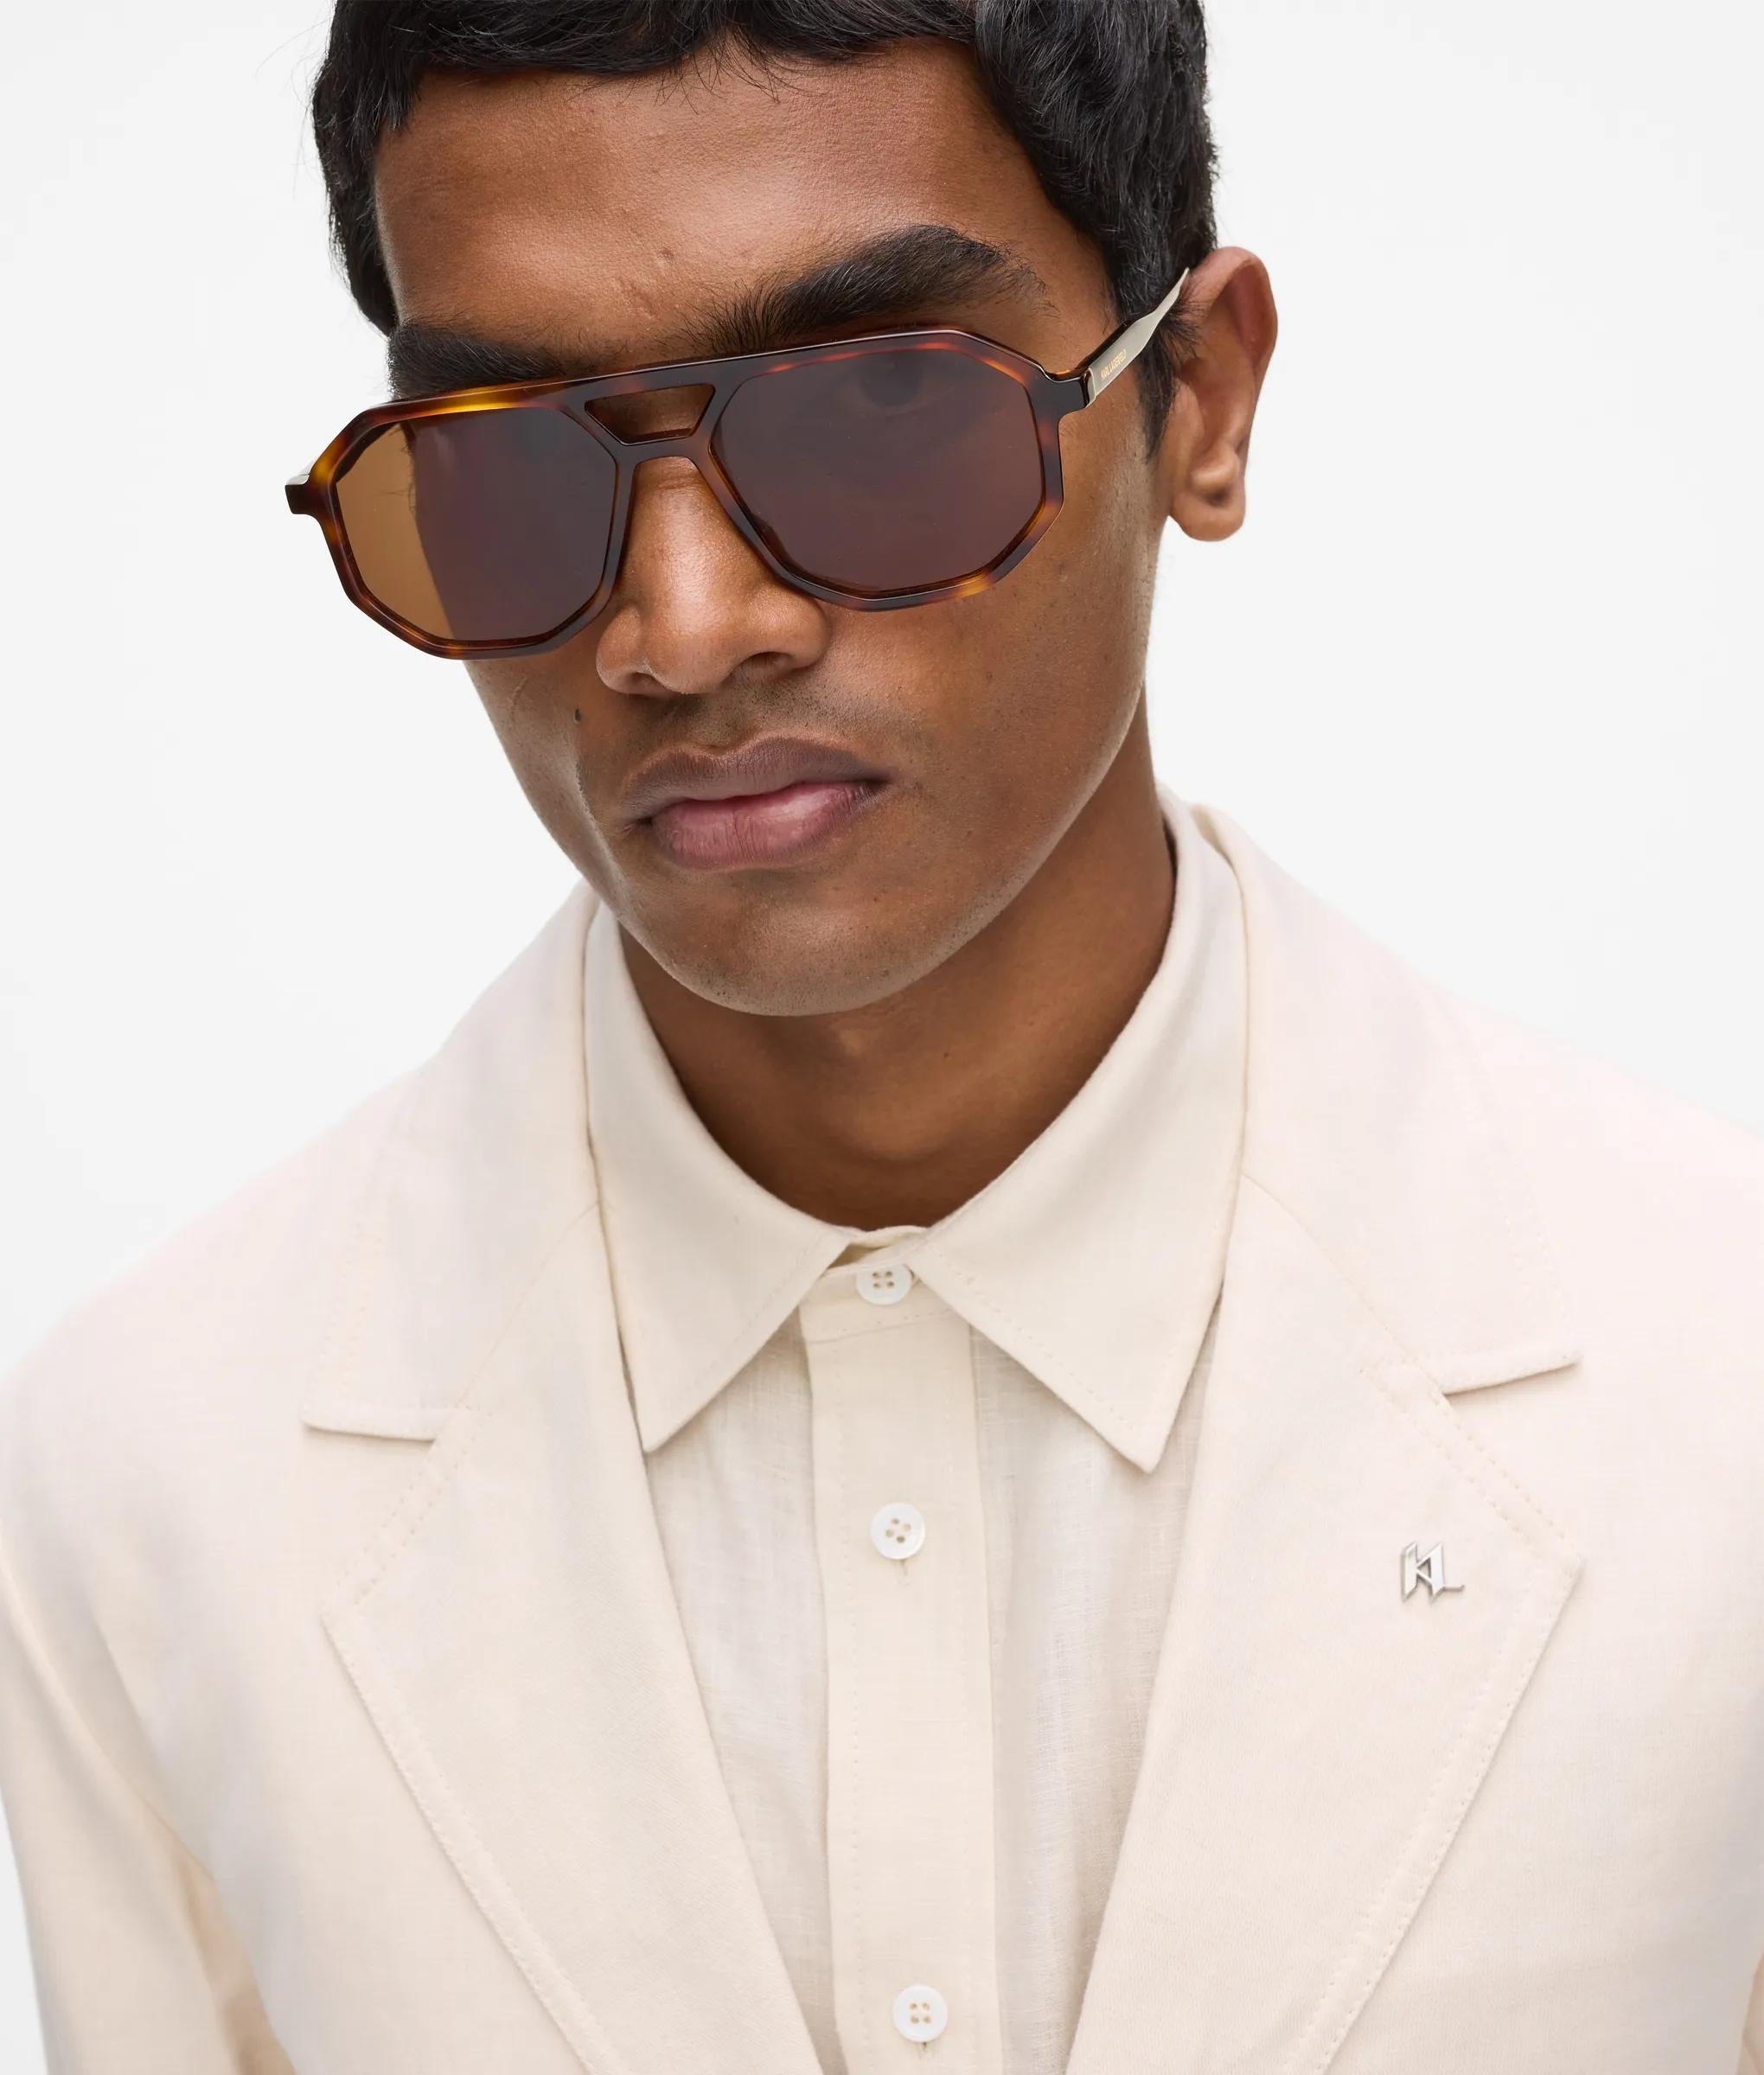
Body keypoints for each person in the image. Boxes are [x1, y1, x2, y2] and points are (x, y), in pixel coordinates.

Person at [2, 3, 1761, 2070]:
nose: (680, 628)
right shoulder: (151, 1483)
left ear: (1200, 398)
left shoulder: (1715, 1389)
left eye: (878, 414)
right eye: (509, 460)